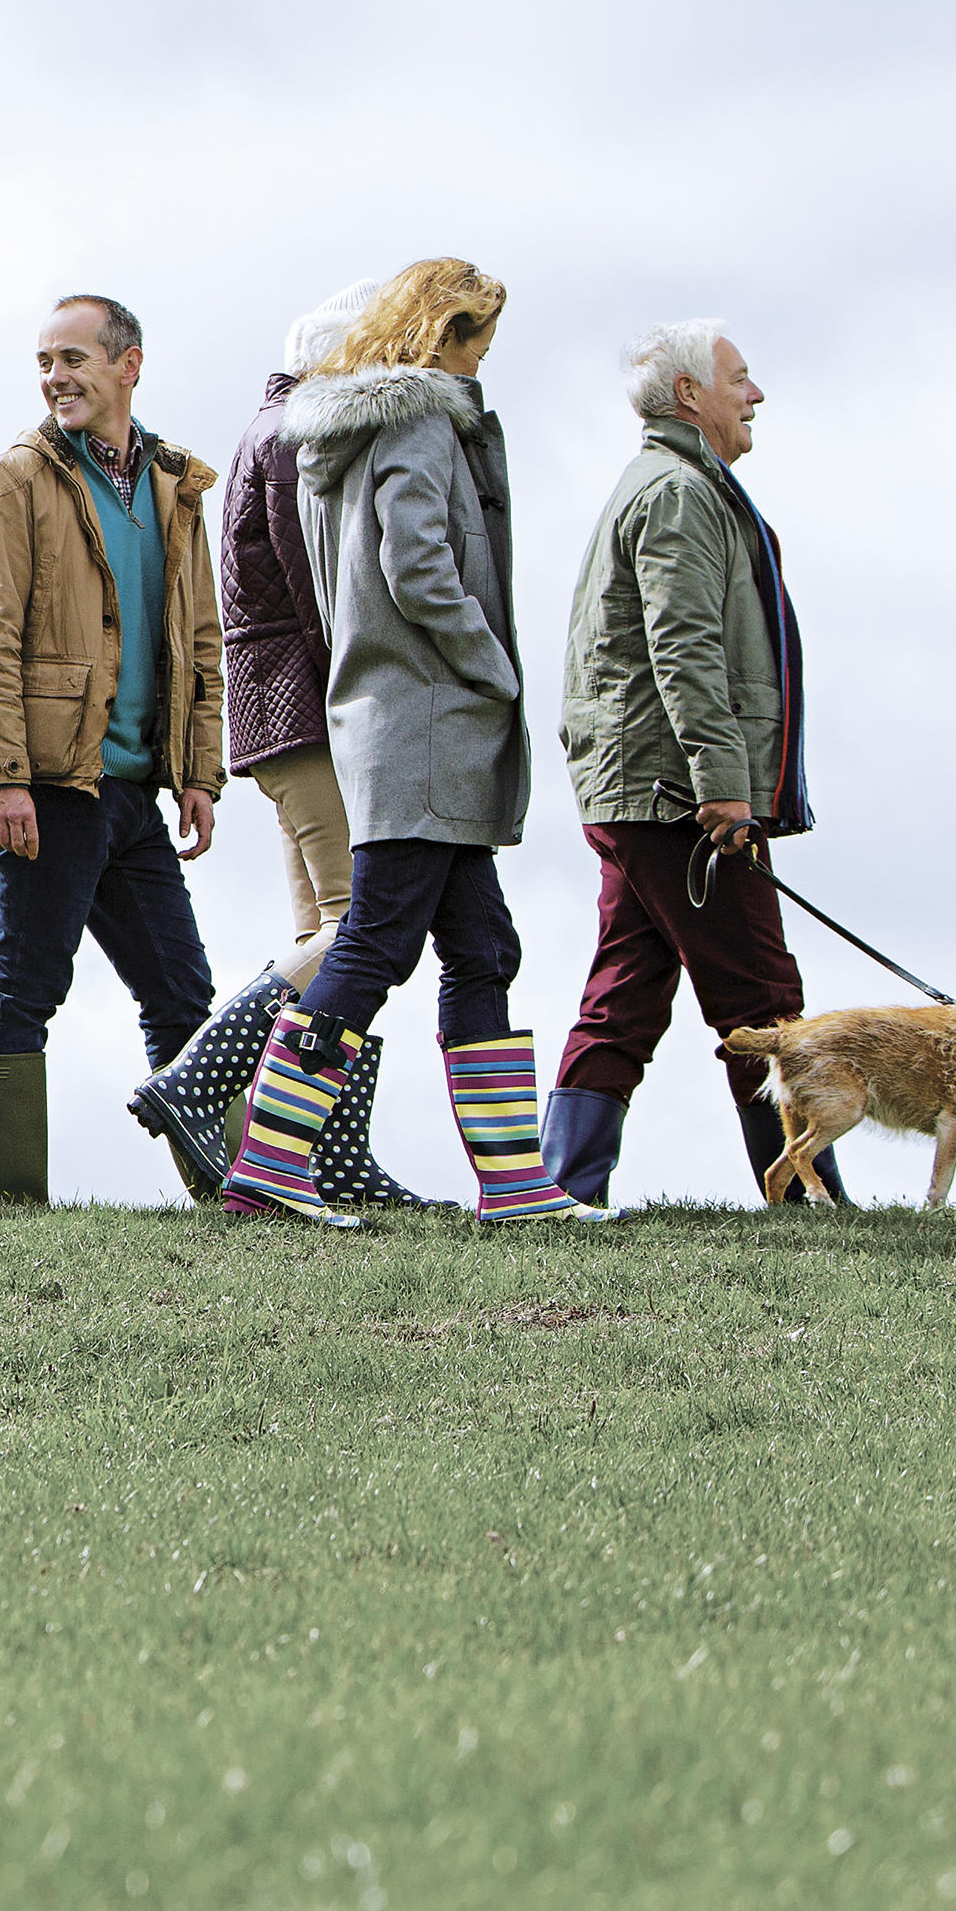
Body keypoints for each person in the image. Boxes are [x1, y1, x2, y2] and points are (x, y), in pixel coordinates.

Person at [220, 259, 604, 1226]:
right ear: (439, 334)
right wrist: (494, 666)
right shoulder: (421, 419)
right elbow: (418, 563)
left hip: (397, 726)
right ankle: (268, 1165)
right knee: (376, 944)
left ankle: (516, 1184)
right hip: (426, 725)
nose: (484, 358)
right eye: (476, 338)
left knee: (482, 945)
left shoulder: (343, 431)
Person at [126, 279, 433, 1211]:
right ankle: (198, 1081)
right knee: (356, 929)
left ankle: (327, 1155)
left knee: (323, 938)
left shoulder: (267, 427)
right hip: (309, 706)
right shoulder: (301, 436)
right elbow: (324, 595)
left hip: (274, 710)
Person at [550, 323, 845, 1207]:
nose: (757, 395)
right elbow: (684, 646)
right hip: (676, 793)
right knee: (763, 997)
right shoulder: (679, 492)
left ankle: (563, 1189)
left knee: (625, 993)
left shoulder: (676, 484)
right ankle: (806, 1197)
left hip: (641, 786)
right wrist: (724, 784)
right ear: (690, 396)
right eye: (741, 378)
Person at [0, 295, 227, 1208]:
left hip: (138, 792)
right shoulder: (16, 479)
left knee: (184, 990)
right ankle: (9, 1204)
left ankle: (229, 1192)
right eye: (43, 361)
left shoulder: (176, 485)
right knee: (24, 986)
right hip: (52, 784)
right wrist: (2, 777)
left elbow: (200, 641)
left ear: (128, 364)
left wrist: (198, 771)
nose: (55, 376)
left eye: (72, 358)